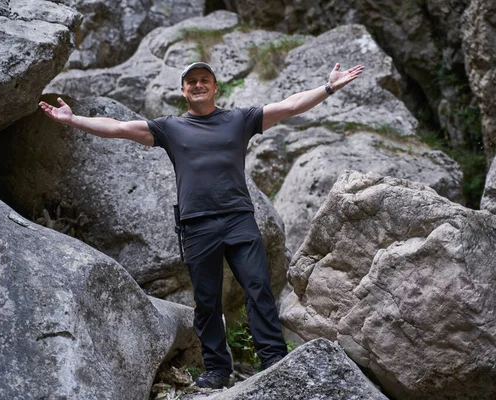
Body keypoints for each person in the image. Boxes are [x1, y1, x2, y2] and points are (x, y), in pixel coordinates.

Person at [39, 61, 364, 389]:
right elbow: (118, 127)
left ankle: (274, 358)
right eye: (191, 81)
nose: (198, 85)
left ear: (214, 87)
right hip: (197, 225)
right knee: (207, 301)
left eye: (204, 80)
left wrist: (329, 87)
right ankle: (218, 370)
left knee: (258, 287)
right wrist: (73, 119)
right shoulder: (170, 128)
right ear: (183, 91)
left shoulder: (239, 120)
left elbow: (290, 105)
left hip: (239, 219)